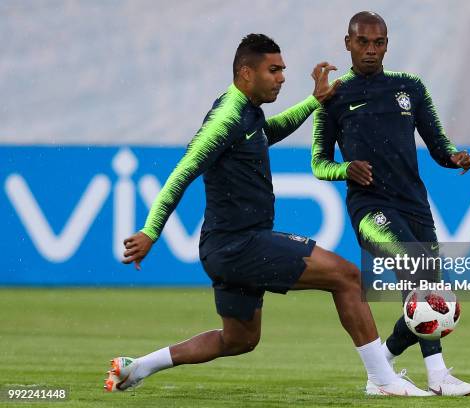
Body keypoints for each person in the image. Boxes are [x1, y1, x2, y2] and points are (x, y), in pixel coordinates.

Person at [104, 33, 430, 397]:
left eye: (283, 70)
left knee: (239, 339)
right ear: (246, 73)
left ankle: (139, 366)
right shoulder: (226, 118)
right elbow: (183, 172)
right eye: (273, 70)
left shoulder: (245, 113)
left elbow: (267, 132)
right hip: (241, 244)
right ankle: (382, 380)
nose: (282, 77)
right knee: (347, 276)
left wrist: (312, 102)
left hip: (226, 248)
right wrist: (151, 231)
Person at [311, 12, 470, 396]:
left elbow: (438, 143)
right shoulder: (333, 97)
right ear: (347, 43)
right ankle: (438, 377)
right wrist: (345, 170)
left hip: (414, 204)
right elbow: (319, 163)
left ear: (387, 44)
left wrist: (454, 157)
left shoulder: (411, 88)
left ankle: (382, 363)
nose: (371, 50)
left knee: (430, 294)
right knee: (418, 273)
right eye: (363, 42)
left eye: (379, 43)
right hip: (370, 209)